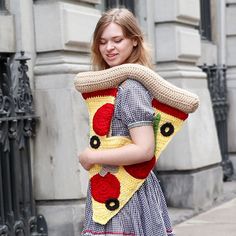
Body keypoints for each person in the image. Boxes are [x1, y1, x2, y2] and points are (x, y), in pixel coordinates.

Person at [78, 8, 175, 236]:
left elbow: (144, 149)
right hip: (114, 187)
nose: (109, 48)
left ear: (134, 41)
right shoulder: (115, 85)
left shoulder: (130, 87)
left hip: (128, 194)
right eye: (102, 42)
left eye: (117, 40)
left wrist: (92, 156)